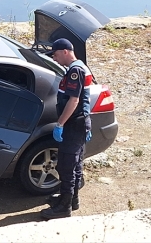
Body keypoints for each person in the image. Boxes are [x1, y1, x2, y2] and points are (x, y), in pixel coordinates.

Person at [41, 38, 93, 220]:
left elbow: (74, 100)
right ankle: (72, 199)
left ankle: (64, 207)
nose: (54, 59)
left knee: (66, 165)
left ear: (65, 51)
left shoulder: (75, 70)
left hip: (73, 124)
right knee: (76, 163)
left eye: (55, 55)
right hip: (79, 123)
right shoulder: (78, 67)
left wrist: (60, 124)